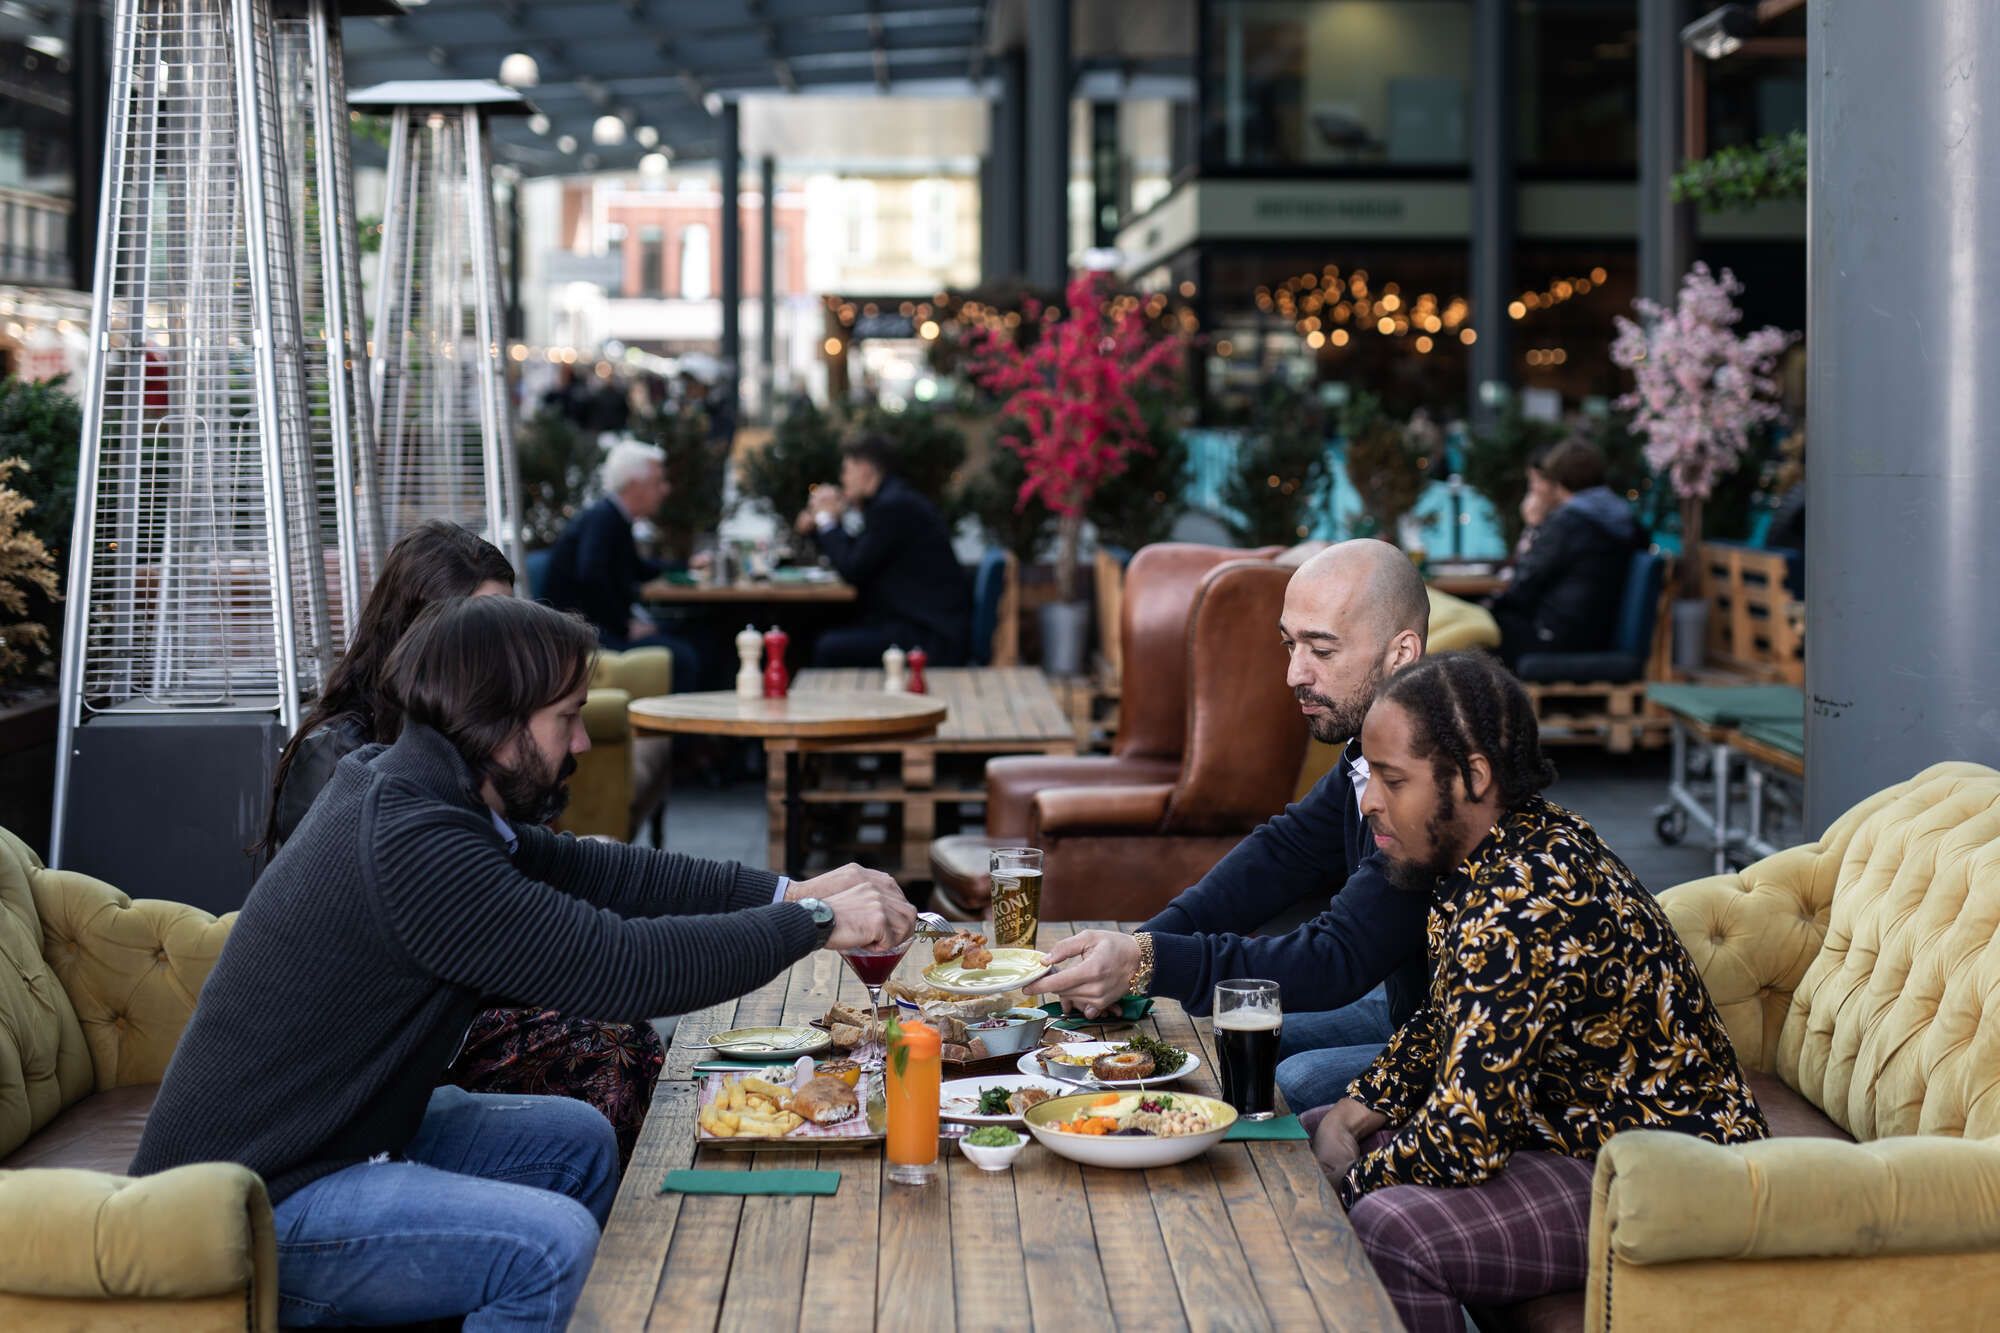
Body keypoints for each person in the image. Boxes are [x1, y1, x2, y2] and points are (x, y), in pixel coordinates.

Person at [135, 595, 915, 1329]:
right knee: (548, 1246)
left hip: (334, 1141)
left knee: (573, 1140)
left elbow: (608, 874)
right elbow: (622, 969)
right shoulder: (415, 845)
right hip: (247, 1207)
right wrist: (812, 922)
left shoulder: (424, 790)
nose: (581, 742)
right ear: (495, 722)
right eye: (566, 719)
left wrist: (793, 888)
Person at [1306, 651, 1765, 1333]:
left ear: (1473, 777)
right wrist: (1355, 1108)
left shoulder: (1523, 902)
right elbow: (1445, 1021)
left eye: (1392, 778)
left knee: (1392, 1224)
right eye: (1369, 773)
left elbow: (1466, 1138)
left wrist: (1340, 1188)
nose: (1370, 798)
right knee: (1313, 1128)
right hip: (1575, 1131)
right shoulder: (1493, 849)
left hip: (1668, 1170)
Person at [265, 521, 676, 1163]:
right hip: (396, 1036)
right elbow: (432, 927)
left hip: (466, 996)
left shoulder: (474, 733)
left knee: (631, 1035)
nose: (506, 647)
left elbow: (522, 871)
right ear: (420, 631)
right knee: (615, 1046)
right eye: (484, 624)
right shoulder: (344, 759)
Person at [1038, 540, 1432, 1110]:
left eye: (1321, 649)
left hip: (1473, 1041)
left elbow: (1336, 958)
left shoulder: (1428, 775)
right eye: (1289, 645)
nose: (1295, 673)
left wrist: (1150, 963)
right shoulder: (1366, 749)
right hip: (1410, 1006)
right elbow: (1281, 853)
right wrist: (1140, 946)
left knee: (1288, 1079)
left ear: (1401, 654)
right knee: (1234, 1040)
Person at [795, 434, 971, 667]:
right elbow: (859, 554)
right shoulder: (891, 501)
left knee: (825, 645)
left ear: (866, 470)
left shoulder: (893, 507)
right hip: (915, 624)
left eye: (846, 470)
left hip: (929, 635)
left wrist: (826, 520)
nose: (842, 479)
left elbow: (853, 568)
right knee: (818, 627)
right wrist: (821, 527)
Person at [543, 439, 704, 684]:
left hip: (597, 627)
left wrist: (687, 565)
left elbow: (638, 569)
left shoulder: (614, 517)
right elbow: (591, 577)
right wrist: (624, 626)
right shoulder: (604, 520)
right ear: (634, 485)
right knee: (687, 655)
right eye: (657, 482)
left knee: (694, 631)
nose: (665, 489)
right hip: (584, 635)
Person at [1486, 438, 1643, 667]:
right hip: (1602, 632)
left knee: (1478, 629)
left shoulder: (1567, 523)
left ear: (1559, 481)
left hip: (1558, 637)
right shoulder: (1626, 519)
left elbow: (1525, 583)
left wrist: (1490, 605)